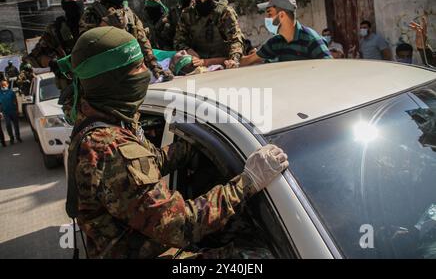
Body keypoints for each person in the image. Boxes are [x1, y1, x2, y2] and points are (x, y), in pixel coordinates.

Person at [65, 26, 289, 259]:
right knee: (254, 258)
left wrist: (192, 145)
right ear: (111, 80)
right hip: (151, 247)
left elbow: (152, 161)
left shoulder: (103, 119)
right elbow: (180, 225)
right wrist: (247, 182)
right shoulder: (109, 148)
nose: (146, 73)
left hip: (145, 242)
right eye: (137, 67)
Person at [79, 0, 172, 82]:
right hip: (106, 74)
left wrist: (155, 66)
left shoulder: (128, 12)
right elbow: (84, 46)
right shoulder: (92, 13)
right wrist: (104, 25)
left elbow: (142, 41)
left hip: (132, 69)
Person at [239, 0, 332, 67]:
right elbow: (248, 60)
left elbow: (330, 69)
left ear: (282, 15)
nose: (266, 18)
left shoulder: (311, 39)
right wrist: (230, 62)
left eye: (269, 14)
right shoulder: (275, 42)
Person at [174, 0, 245, 69]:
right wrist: (189, 51)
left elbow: (236, 40)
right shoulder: (187, 14)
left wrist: (233, 59)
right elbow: (178, 41)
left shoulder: (225, 13)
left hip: (223, 60)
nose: (202, 0)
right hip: (197, 62)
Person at [26, 0, 85, 90]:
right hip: (74, 87)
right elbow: (33, 58)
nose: (75, 2)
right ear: (63, 5)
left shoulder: (96, 21)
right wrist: (53, 63)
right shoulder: (55, 29)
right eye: (69, 0)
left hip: (101, 82)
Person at [0, 80, 21, 144]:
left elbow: (16, 101)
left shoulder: (11, 92)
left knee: (16, 125)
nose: (4, 86)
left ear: (7, 85)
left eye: (5, 84)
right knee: (8, 125)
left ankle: (18, 137)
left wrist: (17, 110)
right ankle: (11, 138)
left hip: (13, 111)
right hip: (6, 112)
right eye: (2, 85)